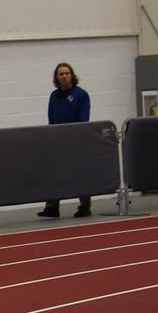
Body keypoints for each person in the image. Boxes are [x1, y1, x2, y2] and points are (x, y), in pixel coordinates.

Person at [38, 62, 93, 218]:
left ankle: (84, 206)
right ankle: (52, 207)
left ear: (72, 75)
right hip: (57, 141)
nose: (64, 76)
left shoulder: (81, 95)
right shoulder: (53, 96)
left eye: (67, 73)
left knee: (79, 174)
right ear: (57, 77)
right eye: (61, 74)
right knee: (54, 174)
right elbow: (51, 119)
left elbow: (84, 119)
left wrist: (75, 135)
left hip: (77, 141)